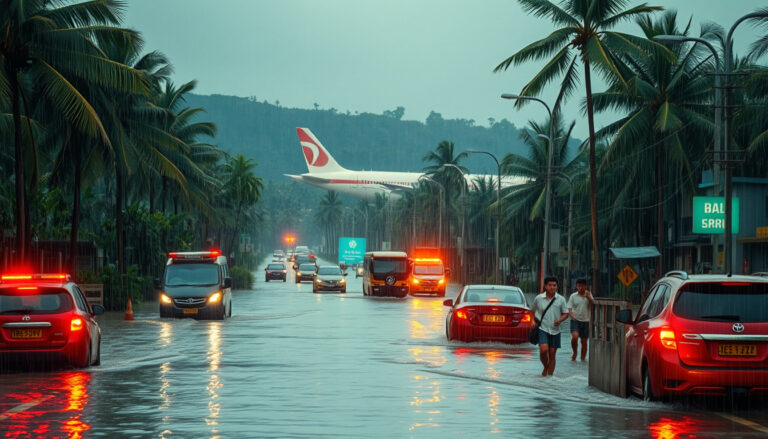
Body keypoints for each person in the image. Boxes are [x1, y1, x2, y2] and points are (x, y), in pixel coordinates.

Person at [532, 276, 569, 376]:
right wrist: (532, 321)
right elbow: (532, 310)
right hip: (542, 328)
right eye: (550, 285)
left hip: (556, 330)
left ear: (557, 287)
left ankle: (549, 380)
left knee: (552, 354)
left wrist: (560, 320)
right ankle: (545, 367)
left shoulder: (561, 299)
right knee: (543, 350)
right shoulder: (539, 298)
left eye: (554, 285)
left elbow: (566, 313)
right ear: (545, 286)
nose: (552, 287)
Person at [567, 278, 594, 362]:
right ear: (576, 286)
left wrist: (588, 297)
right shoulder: (573, 296)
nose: (580, 288)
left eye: (582, 286)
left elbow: (594, 305)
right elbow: (569, 308)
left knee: (584, 341)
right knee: (574, 337)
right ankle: (574, 352)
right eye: (578, 286)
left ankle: (583, 358)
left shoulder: (589, 295)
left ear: (585, 286)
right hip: (575, 320)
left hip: (586, 320)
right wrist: (572, 316)